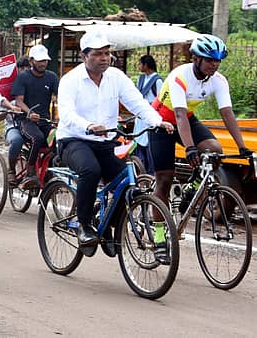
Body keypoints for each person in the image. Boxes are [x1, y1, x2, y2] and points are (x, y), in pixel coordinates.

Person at [56, 35, 173, 256]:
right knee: (91, 170)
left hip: (104, 142)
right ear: (84, 56)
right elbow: (67, 114)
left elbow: (138, 103)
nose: (104, 58)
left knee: (128, 183)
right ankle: (84, 226)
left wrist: (158, 121)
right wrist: (89, 125)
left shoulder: (116, 77)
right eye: (98, 54)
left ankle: (109, 227)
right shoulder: (70, 80)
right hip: (73, 140)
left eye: (107, 53)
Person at [150, 35, 252, 210]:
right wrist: (189, 148)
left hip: (186, 118)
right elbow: (179, 114)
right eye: (210, 60)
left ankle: (193, 185)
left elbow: (227, 113)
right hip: (160, 123)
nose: (215, 65)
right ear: (196, 58)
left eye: (218, 61)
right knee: (164, 180)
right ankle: (159, 232)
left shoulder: (218, 80)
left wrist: (242, 146)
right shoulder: (179, 76)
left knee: (215, 150)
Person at [11, 44, 58, 189]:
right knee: (37, 138)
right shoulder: (23, 77)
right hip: (26, 120)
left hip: (45, 120)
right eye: (39, 60)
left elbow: (60, 97)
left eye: (45, 60)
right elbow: (19, 101)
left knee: (59, 138)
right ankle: (30, 171)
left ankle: (50, 169)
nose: (43, 63)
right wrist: (29, 113)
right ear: (31, 61)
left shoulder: (52, 77)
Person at [132, 54, 162, 174]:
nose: (139, 66)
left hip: (150, 115)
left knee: (149, 144)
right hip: (140, 117)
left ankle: (150, 172)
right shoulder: (142, 79)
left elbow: (160, 100)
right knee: (139, 143)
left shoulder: (157, 81)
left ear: (146, 65)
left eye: (140, 63)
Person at [4, 56, 31, 185]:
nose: (25, 70)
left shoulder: (34, 85)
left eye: (28, 67)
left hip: (31, 125)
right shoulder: (9, 88)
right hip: (13, 126)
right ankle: (11, 170)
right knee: (17, 140)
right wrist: (9, 109)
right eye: (22, 68)